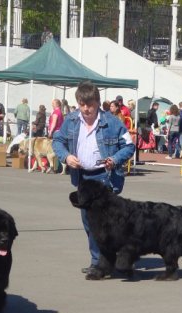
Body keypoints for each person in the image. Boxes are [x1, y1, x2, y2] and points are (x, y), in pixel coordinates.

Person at [52, 81, 135, 277]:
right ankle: (98, 262)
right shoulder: (71, 120)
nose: (86, 109)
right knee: (91, 225)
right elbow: (57, 141)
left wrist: (114, 159)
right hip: (83, 178)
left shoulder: (112, 122)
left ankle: (115, 262)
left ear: (98, 103)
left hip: (105, 178)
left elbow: (129, 147)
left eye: (90, 104)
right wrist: (66, 156)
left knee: (112, 225)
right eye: (82, 104)